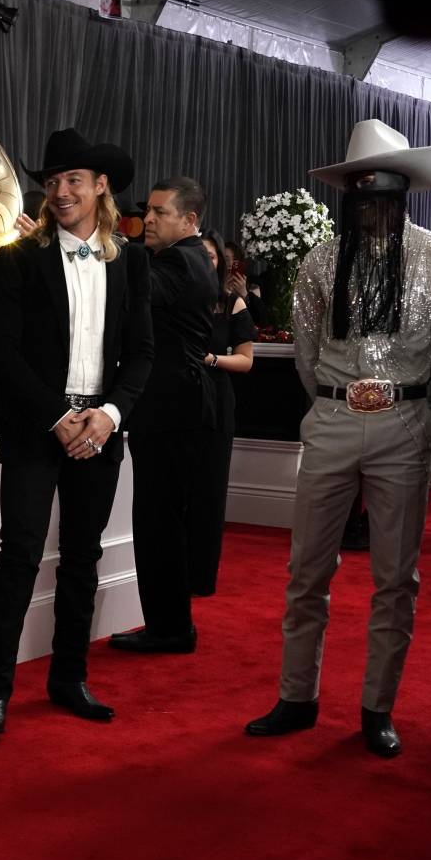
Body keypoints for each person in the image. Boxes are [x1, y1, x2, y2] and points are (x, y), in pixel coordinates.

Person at [244, 120, 431, 758]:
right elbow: (309, 355)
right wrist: (332, 405)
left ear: (406, 193)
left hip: (405, 423)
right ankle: (297, 696)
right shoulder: (322, 258)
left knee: (396, 577)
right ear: (348, 194)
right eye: (362, 196)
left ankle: (378, 707)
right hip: (333, 419)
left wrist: (421, 416)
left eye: (385, 197)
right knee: (305, 569)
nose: (373, 208)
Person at [0, 128, 153, 734]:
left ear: (102, 187)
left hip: (100, 430)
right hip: (35, 429)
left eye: (73, 180)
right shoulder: (21, 259)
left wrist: (109, 415)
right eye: (52, 182)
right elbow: (0, 353)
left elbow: (144, 353)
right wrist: (57, 417)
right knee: (17, 556)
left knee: (82, 557)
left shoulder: (133, 261)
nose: (60, 191)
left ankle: (69, 678)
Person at [108, 177, 217, 653]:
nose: (147, 220)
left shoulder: (182, 260)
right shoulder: (189, 257)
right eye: (146, 211)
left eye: (159, 213)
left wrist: (101, 242)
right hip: (177, 405)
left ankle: (169, 629)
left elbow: (140, 290)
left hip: (173, 407)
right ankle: (169, 624)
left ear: (190, 220)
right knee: (161, 520)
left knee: (159, 521)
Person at [189, 229, 256, 597]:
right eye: (198, 254)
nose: (203, 260)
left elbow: (246, 361)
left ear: (221, 263)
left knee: (209, 492)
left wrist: (211, 360)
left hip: (216, 400)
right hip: (176, 401)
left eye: (211, 256)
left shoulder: (232, 303)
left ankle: (200, 577)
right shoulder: (174, 297)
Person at [222, 240, 269, 327]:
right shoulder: (213, 285)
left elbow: (260, 321)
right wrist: (224, 293)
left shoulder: (253, 287)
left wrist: (245, 294)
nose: (231, 264)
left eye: (235, 260)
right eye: (226, 259)